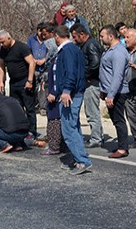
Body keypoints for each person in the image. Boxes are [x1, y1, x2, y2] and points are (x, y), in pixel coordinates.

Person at [48, 25, 92, 175]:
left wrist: (66, 90)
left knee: (68, 129)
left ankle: (82, 161)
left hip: (70, 95)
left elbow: (71, 73)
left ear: (56, 36)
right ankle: (78, 157)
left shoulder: (66, 51)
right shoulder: (75, 49)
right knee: (74, 127)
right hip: (75, 92)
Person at [0, 30, 38, 141]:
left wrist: (29, 81)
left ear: (9, 38)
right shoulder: (3, 50)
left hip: (25, 81)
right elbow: (1, 65)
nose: (1, 45)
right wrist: (1, 81)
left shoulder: (21, 47)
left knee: (29, 108)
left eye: (2, 42)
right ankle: (19, 130)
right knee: (16, 108)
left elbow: (32, 63)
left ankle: (32, 131)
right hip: (13, 82)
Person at [71, 23, 105, 148]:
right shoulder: (85, 45)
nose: (74, 40)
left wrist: (84, 75)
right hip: (89, 81)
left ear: (82, 34)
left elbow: (95, 63)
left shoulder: (90, 45)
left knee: (92, 112)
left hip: (92, 83)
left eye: (75, 37)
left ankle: (96, 138)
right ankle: (97, 136)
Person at [99, 25, 130, 158]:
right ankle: (121, 145)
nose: (100, 39)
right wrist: (103, 90)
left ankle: (123, 148)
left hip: (117, 92)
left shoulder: (118, 52)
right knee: (115, 120)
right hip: (109, 91)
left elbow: (117, 76)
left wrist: (111, 95)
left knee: (118, 120)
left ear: (110, 36)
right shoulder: (109, 50)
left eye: (102, 36)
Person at [28, 22, 49, 117]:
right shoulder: (31, 40)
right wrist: (34, 60)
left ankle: (43, 107)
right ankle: (33, 105)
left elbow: (50, 51)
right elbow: (28, 51)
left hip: (45, 68)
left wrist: (44, 59)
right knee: (34, 87)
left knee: (44, 88)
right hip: (34, 67)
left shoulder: (48, 40)